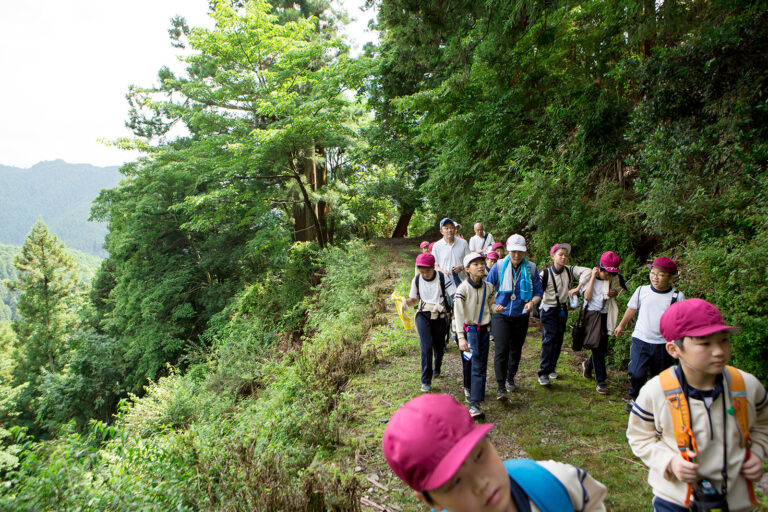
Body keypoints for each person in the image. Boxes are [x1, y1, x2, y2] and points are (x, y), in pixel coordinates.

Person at [626, 299, 768, 512]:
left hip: (736, 500)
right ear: (674, 349)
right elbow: (639, 437)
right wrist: (670, 462)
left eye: (723, 340)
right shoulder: (657, 391)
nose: (719, 351)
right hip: (674, 500)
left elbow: (763, 425)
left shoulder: (746, 386)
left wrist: (757, 452)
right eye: (705, 343)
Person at [382, 393, 609, 512]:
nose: (481, 483)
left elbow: (592, 501)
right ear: (430, 501)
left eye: (479, 456)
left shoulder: (556, 480)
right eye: (454, 482)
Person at [614, 257, 685, 412]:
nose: (655, 277)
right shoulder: (642, 290)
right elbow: (632, 309)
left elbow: (680, 320)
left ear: (671, 278)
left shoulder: (677, 296)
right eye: (653, 273)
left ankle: (653, 404)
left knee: (658, 377)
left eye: (660, 275)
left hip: (663, 344)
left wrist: (679, 343)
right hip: (641, 338)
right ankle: (635, 398)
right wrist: (621, 325)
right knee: (636, 372)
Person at [486, 234, 543, 400]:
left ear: (524, 252)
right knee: (501, 349)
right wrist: (492, 306)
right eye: (513, 251)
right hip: (501, 314)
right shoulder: (498, 266)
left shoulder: (531, 268)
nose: (516, 255)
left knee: (516, 350)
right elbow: (488, 289)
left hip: (521, 314)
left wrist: (532, 302)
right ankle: (501, 386)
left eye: (520, 252)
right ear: (508, 250)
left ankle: (511, 377)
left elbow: (538, 292)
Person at [536, 243, 589, 386]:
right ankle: (543, 372)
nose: (564, 257)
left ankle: (551, 368)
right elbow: (537, 291)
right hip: (548, 309)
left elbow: (588, 272)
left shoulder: (569, 271)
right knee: (549, 339)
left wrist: (578, 287)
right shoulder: (545, 274)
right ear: (553, 256)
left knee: (558, 340)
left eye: (566, 255)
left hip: (562, 309)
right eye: (560, 254)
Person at [453, 253, 496, 418]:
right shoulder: (462, 289)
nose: (480, 266)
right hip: (469, 331)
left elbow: (490, 304)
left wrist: (496, 308)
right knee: (474, 362)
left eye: (481, 263)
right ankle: (474, 404)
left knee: (481, 362)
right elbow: (458, 313)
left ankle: (475, 392)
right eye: (475, 264)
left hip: (484, 330)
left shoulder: (488, 287)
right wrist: (461, 336)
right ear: (467, 269)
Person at [407, 253, 454, 392]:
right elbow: (413, 300)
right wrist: (403, 302)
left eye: (427, 271)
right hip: (423, 314)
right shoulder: (416, 279)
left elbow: (454, 294)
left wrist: (457, 312)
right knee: (426, 347)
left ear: (433, 267)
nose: (424, 274)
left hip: (440, 314)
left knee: (439, 346)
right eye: (421, 272)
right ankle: (425, 380)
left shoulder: (442, 277)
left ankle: (437, 366)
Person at [576, 252, 622, 394]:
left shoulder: (614, 279)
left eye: (611, 273)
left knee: (602, 347)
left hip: (606, 315)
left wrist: (614, 293)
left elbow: (618, 291)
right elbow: (587, 297)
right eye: (606, 272)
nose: (608, 276)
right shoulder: (589, 276)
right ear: (599, 268)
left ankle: (588, 366)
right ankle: (601, 381)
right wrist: (593, 279)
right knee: (597, 347)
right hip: (592, 315)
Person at [432, 218, 471, 289]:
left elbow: (470, 262)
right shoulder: (437, 246)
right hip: (444, 283)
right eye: (446, 228)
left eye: (451, 227)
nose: (449, 230)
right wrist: (442, 271)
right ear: (441, 231)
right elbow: (434, 266)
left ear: (455, 229)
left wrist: (462, 267)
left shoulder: (463, 243)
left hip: (462, 282)